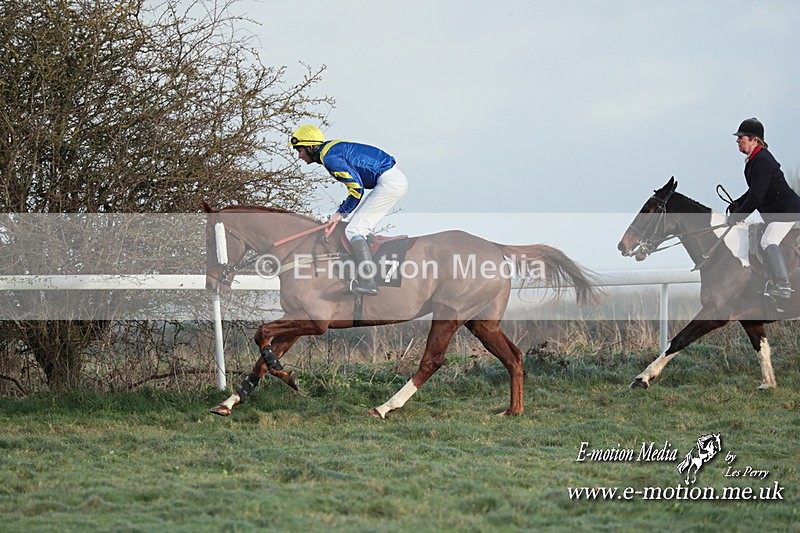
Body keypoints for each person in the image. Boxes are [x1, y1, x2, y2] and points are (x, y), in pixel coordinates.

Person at [290, 125, 408, 295]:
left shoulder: (329, 158)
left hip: (389, 183)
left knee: (354, 230)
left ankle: (368, 281)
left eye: (299, 150)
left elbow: (356, 188)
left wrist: (340, 213)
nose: (299, 156)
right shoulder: (328, 150)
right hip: (389, 180)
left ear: (310, 147)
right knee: (356, 227)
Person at [727, 117, 800, 300]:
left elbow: (756, 198)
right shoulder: (754, 160)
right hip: (777, 213)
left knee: (767, 241)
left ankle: (783, 285)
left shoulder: (762, 160)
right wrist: (737, 203)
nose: (737, 140)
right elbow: (754, 191)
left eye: (741, 137)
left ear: (754, 139)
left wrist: (738, 216)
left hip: (786, 212)